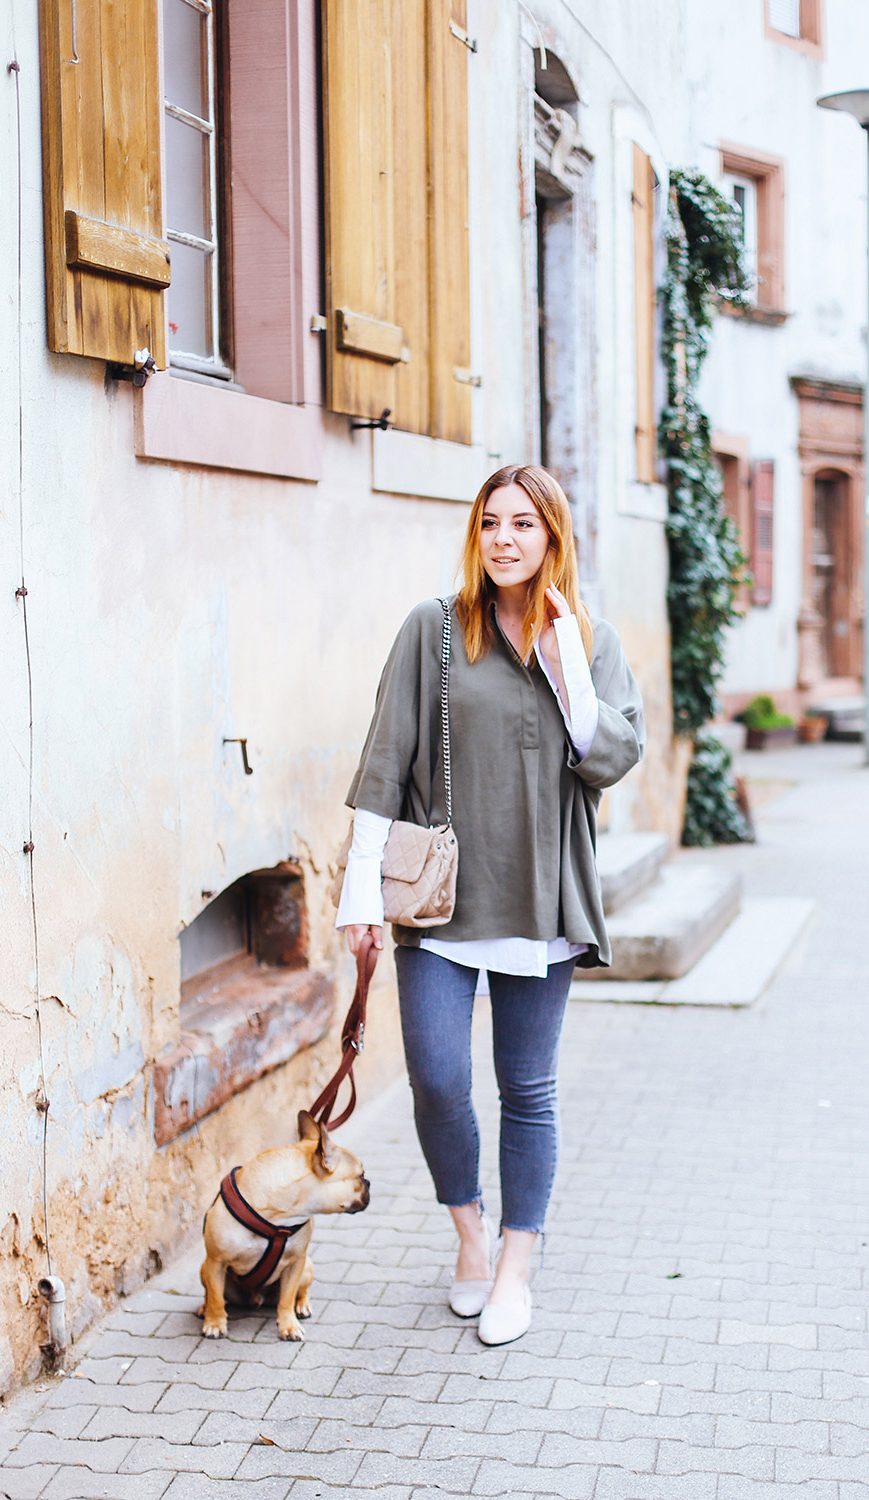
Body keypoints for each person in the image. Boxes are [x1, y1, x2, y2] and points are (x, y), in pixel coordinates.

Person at [335, 463, 644, 1345]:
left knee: (528, 1088)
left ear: (553, 539)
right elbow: (383, 759)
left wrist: (569, 672)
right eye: (491, 523)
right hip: (440, 901)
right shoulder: (432, 631)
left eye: (523, 525)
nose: (504, 539)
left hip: (542, 898)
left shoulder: (589, 636)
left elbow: (613, 755)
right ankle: (469, 1234)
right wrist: (361, 892)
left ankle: (516, 1263)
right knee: (435, 1078)